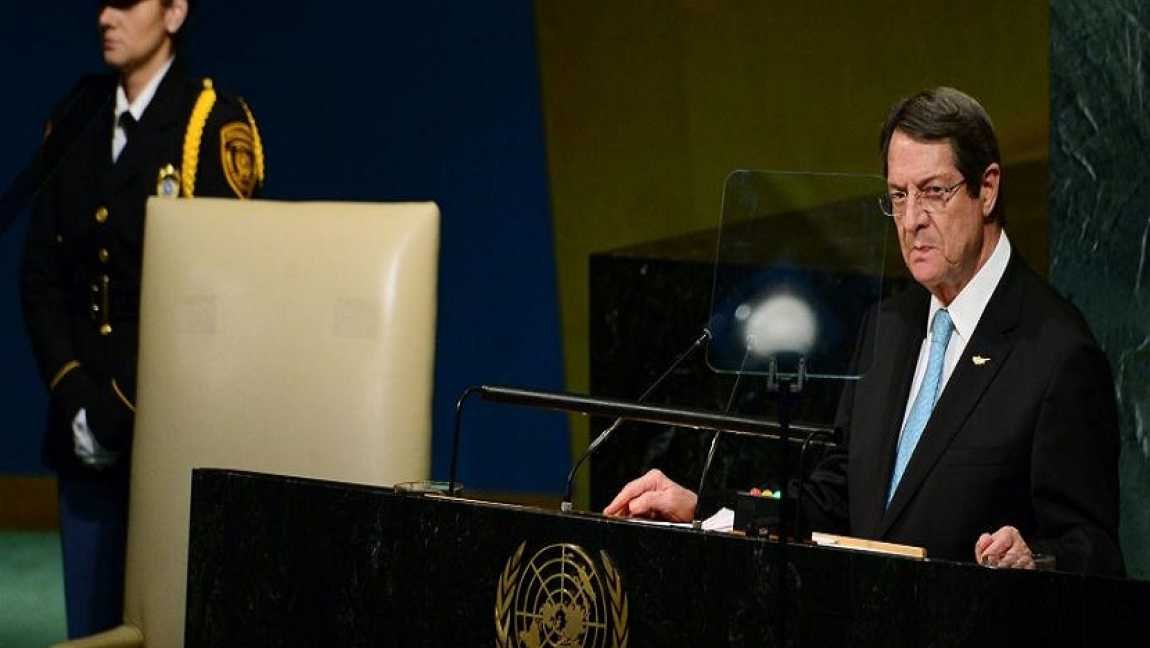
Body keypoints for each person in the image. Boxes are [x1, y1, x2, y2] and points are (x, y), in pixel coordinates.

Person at [605, 87, 1124, 576]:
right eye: (898, 195)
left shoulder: (1056, 352)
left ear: (986, 189)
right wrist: (708, 510)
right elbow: (836, 501)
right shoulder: (887, 327)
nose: (911, 220)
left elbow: (1093, 549)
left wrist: (1034, 557)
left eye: (933, 192)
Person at [21, 0, 265, 637]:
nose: (106, 16)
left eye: (127, 2)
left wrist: (120, 405)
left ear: (175, 13)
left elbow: (216, 299)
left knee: (169, 629)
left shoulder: (210, 125)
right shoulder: (75, 117)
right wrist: (76, 394)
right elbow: (40, 277)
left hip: (170, 441)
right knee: (91, 634)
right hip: (81, 436)